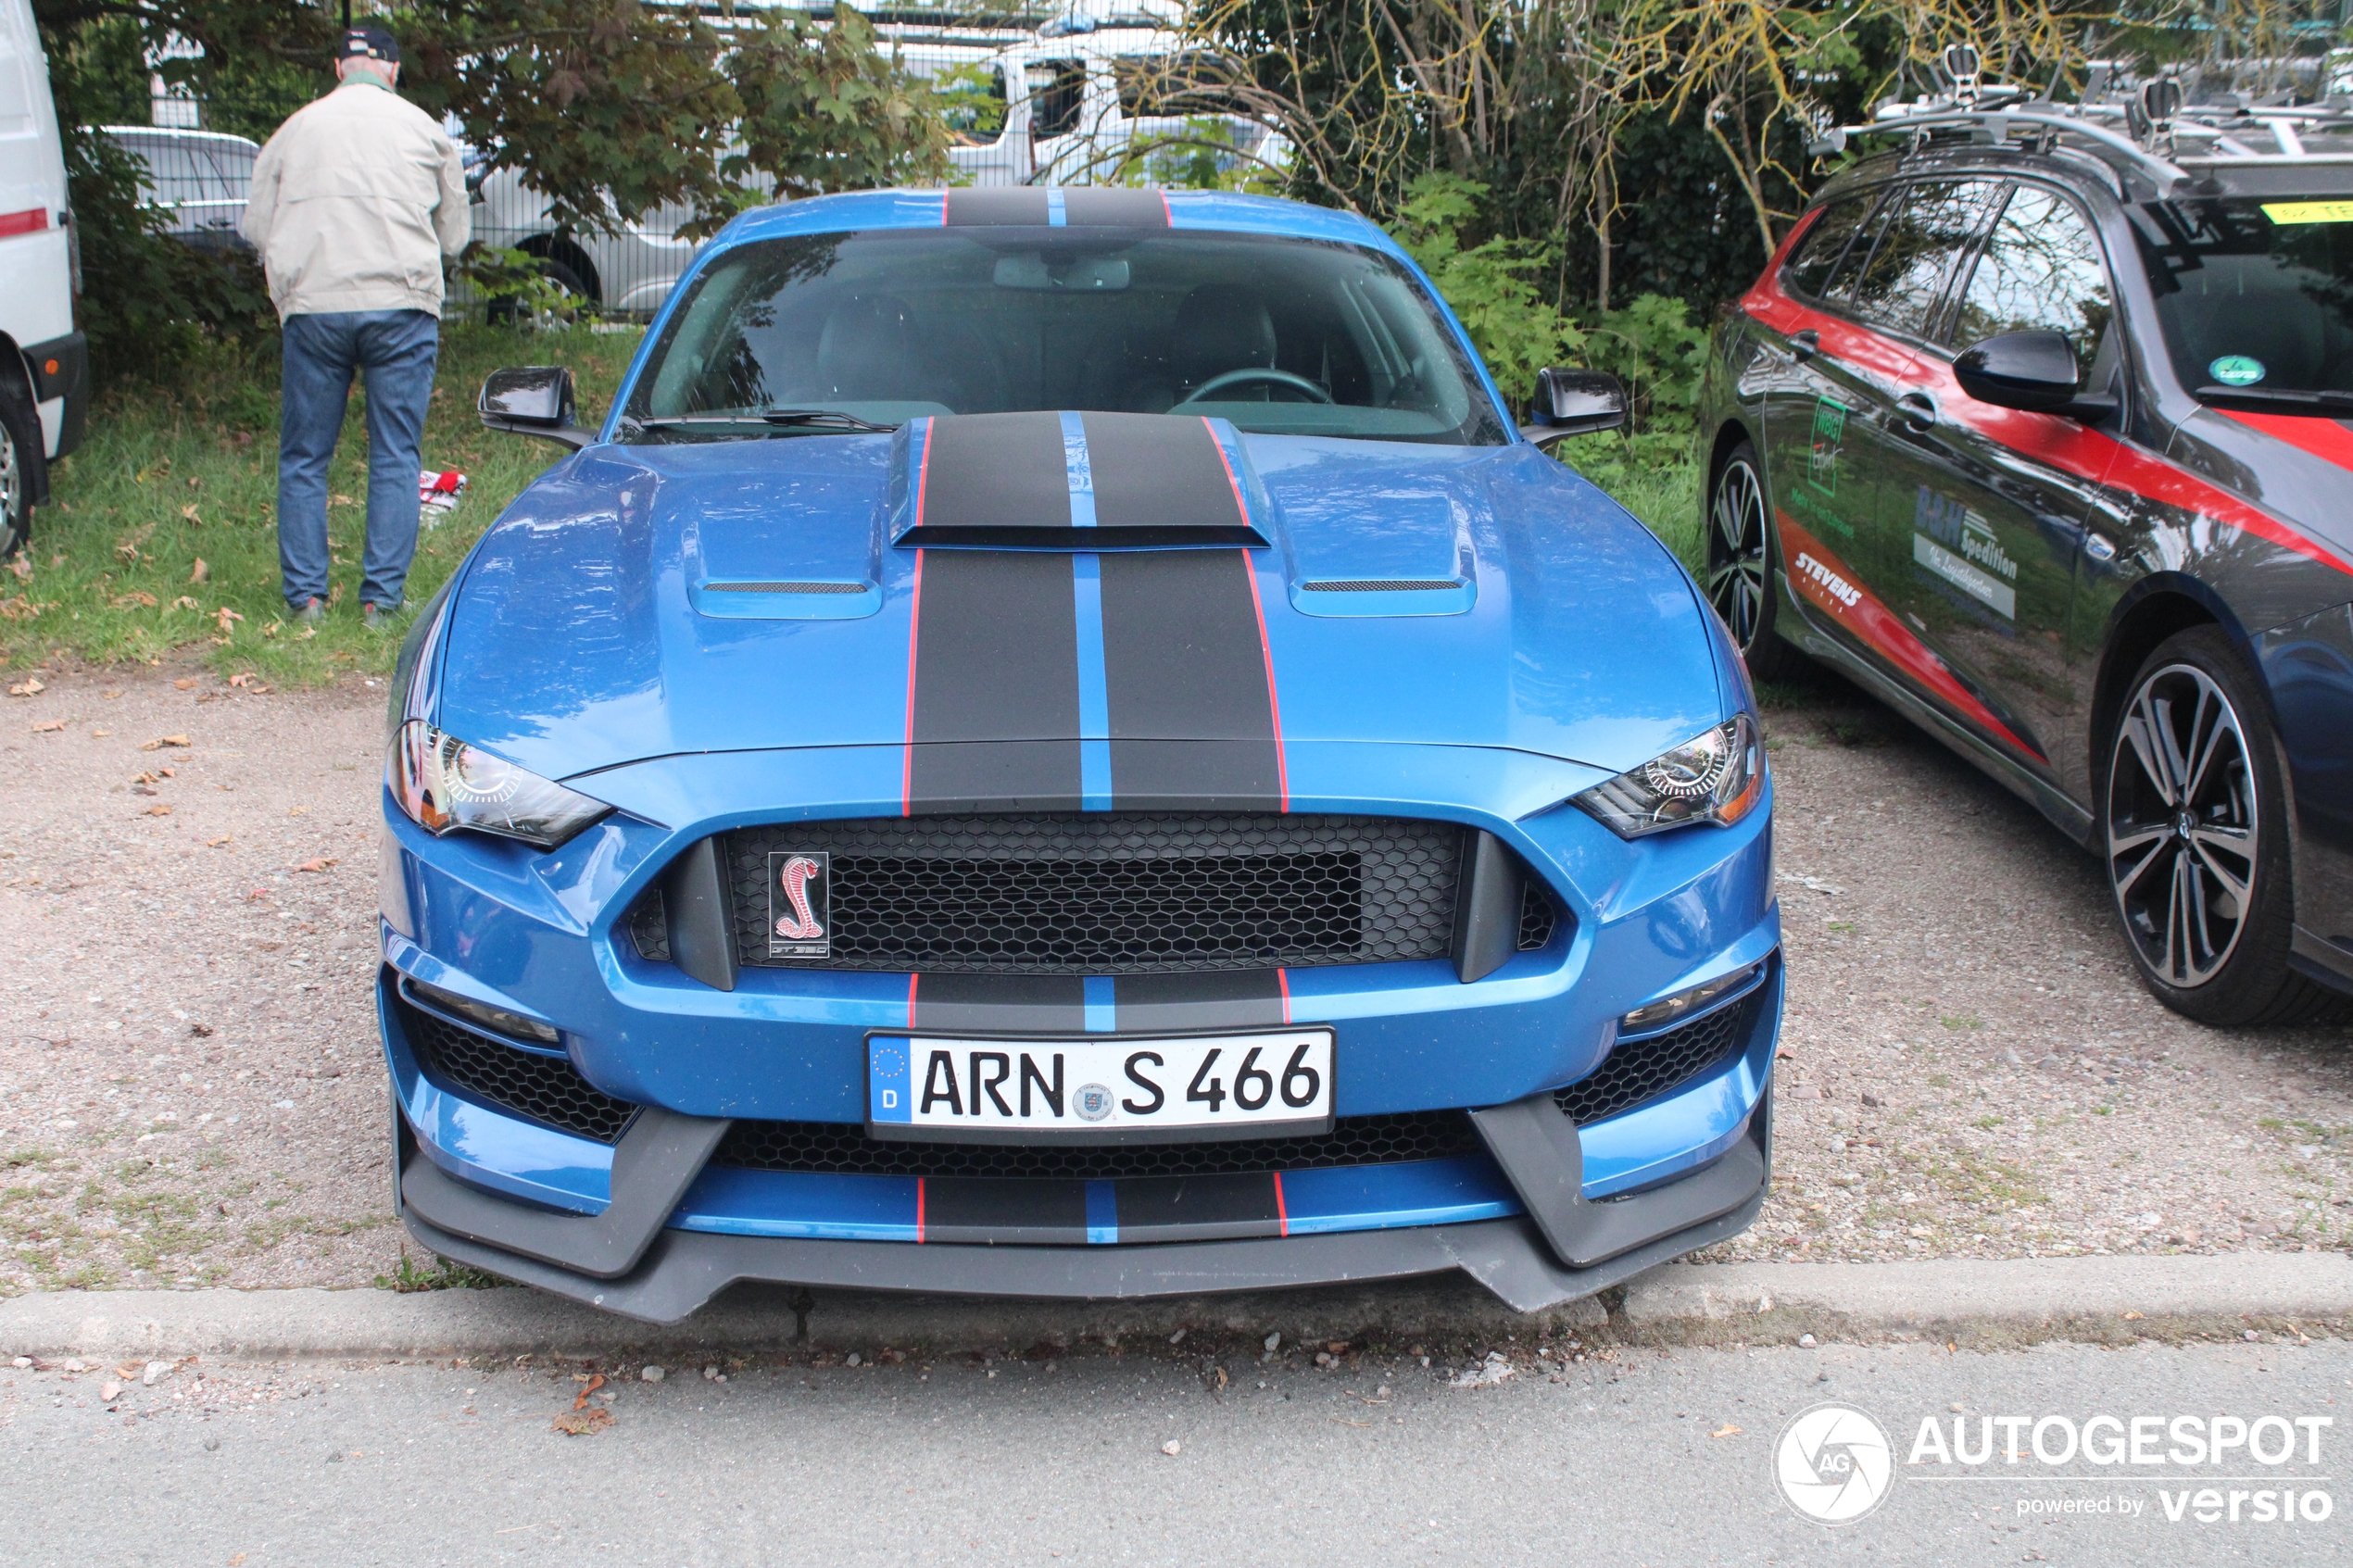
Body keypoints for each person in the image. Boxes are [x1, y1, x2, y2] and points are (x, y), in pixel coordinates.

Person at [241, 25, 468, 632]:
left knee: (304, 457)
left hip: (315, 305)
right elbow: (455, 236)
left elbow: (257, 227)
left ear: (340, 68)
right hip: (401, 303)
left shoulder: (294, 130)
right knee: (396, 452)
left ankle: (307, 603)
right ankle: (379, 604)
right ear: (393, 71)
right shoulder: (425, 130)